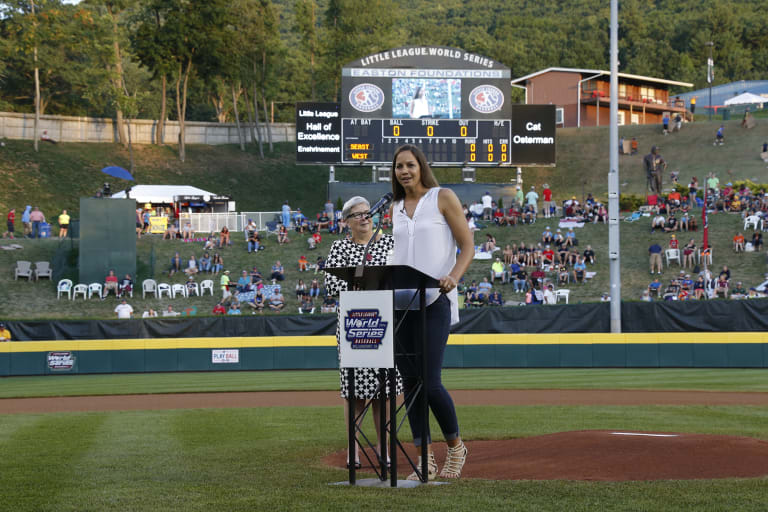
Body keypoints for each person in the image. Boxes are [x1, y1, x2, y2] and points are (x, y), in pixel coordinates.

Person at [391, 144, 472, 480]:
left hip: (435, 299)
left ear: (421, 166)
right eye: (398, 167)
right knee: (409, 382)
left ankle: (455, 447)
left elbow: (467, 245)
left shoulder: (443, 197)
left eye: (410, 165)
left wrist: (453, 276)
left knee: (430, 379)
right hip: (399, 302)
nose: (405, 171)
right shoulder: (394, 207)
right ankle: (424, 458)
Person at [324, 195, 402, 468]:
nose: (364, 217)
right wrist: (355, 284)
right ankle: (353, 451)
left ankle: (383, 450)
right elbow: (331, 286)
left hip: (385, 325)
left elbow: (401, 279)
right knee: (354, 392)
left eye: (367, 212)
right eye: (357, 214)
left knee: (384, 392)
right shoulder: (339, 248)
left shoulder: (391, 243)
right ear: (346, 222)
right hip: (353, 326)